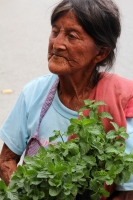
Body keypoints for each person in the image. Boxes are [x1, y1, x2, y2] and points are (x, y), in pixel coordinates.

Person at [0, 0, 133, 199]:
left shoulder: (120, 105)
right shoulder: (34, 93)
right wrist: (25, 193)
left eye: (72, 36)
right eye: (55, 31)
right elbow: (6, 160)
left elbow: (127, 193)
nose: (57, 44)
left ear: (101, 52)